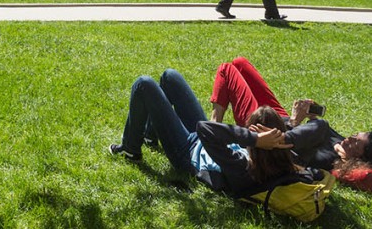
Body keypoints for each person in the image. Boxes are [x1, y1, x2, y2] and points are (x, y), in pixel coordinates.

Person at [109, 69, 312, 196]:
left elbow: (205, 129)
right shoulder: (284, 152)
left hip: (188, 152)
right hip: (204, 139)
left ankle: (130, 149)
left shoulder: (243, 167)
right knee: (169, 77)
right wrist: (292, 124)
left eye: (251, 129)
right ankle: (150, 136)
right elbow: (320, 128)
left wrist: (254, 138)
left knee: (144, 84)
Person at [207, 58, 372, 187]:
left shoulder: (330, 161)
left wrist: (295, 122)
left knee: (226, 70)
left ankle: (213, 124)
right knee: (240, 63)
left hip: (265, 126)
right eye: (354, 135)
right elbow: (314, 131)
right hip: (281, 118)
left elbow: (288, 148)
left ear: (361, 157)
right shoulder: (340, 142)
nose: (350, 138)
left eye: (356, 142)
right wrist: (309, 118)